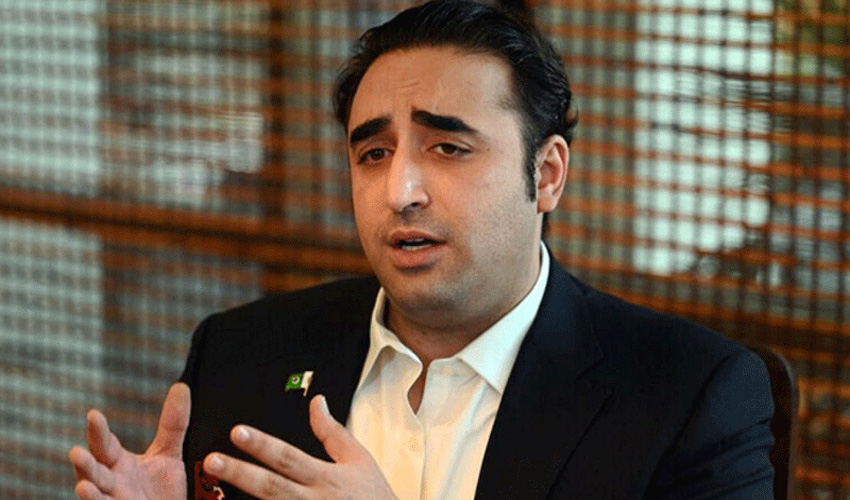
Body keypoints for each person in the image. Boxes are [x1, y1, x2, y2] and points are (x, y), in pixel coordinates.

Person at [69, 1, 776, 499]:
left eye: (447, 147)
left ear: (547, 174)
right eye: (373, 154)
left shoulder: (688, 398)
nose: (400, 191)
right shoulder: (242, 352)